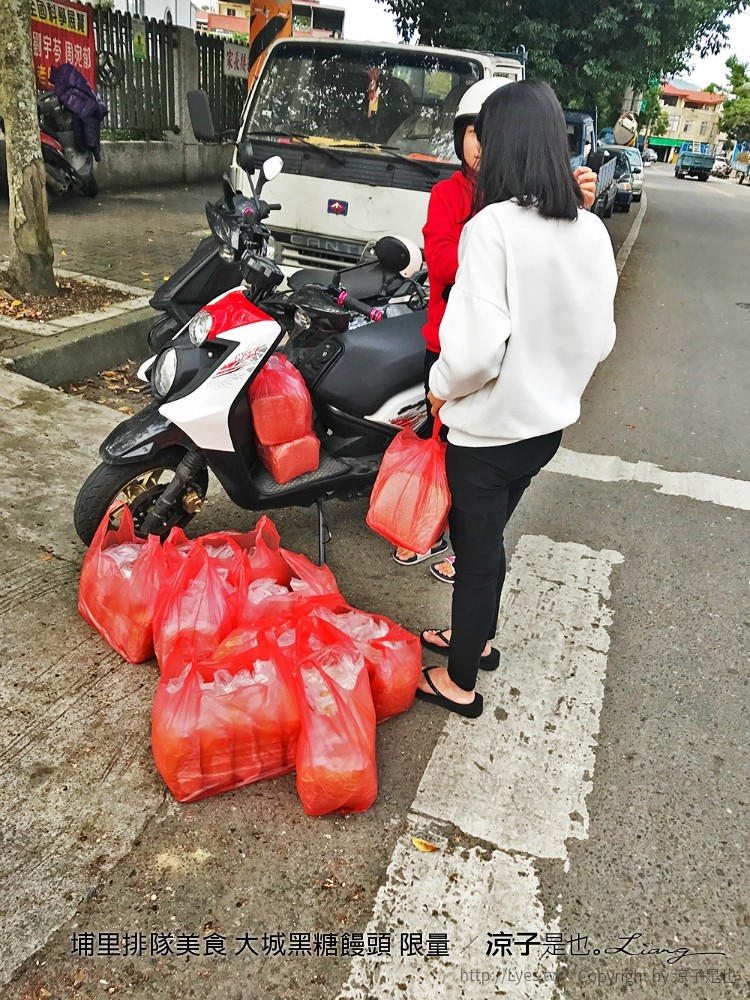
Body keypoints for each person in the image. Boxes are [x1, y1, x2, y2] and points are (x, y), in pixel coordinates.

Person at [415, 80, 618, 718]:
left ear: (501, 144)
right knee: (488, 543)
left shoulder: (492, 226)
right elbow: (603, 338)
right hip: (545, 431)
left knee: (476, 556)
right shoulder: (587, 229)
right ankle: (480, 639)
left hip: (487, 435)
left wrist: (437, 390)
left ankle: (460, 682)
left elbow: (474, 354)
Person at [393, 78, 598, 573]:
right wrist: (514, 221)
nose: (482, 146)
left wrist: (554, 210)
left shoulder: (531, 211)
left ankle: (466, 549)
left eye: (490, 134)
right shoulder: (450, 195)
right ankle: (427, 526)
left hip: (489, 369)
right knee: (440, 451)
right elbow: (441, 262)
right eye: (473, 134)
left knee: (477, 484)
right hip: (446, 346)